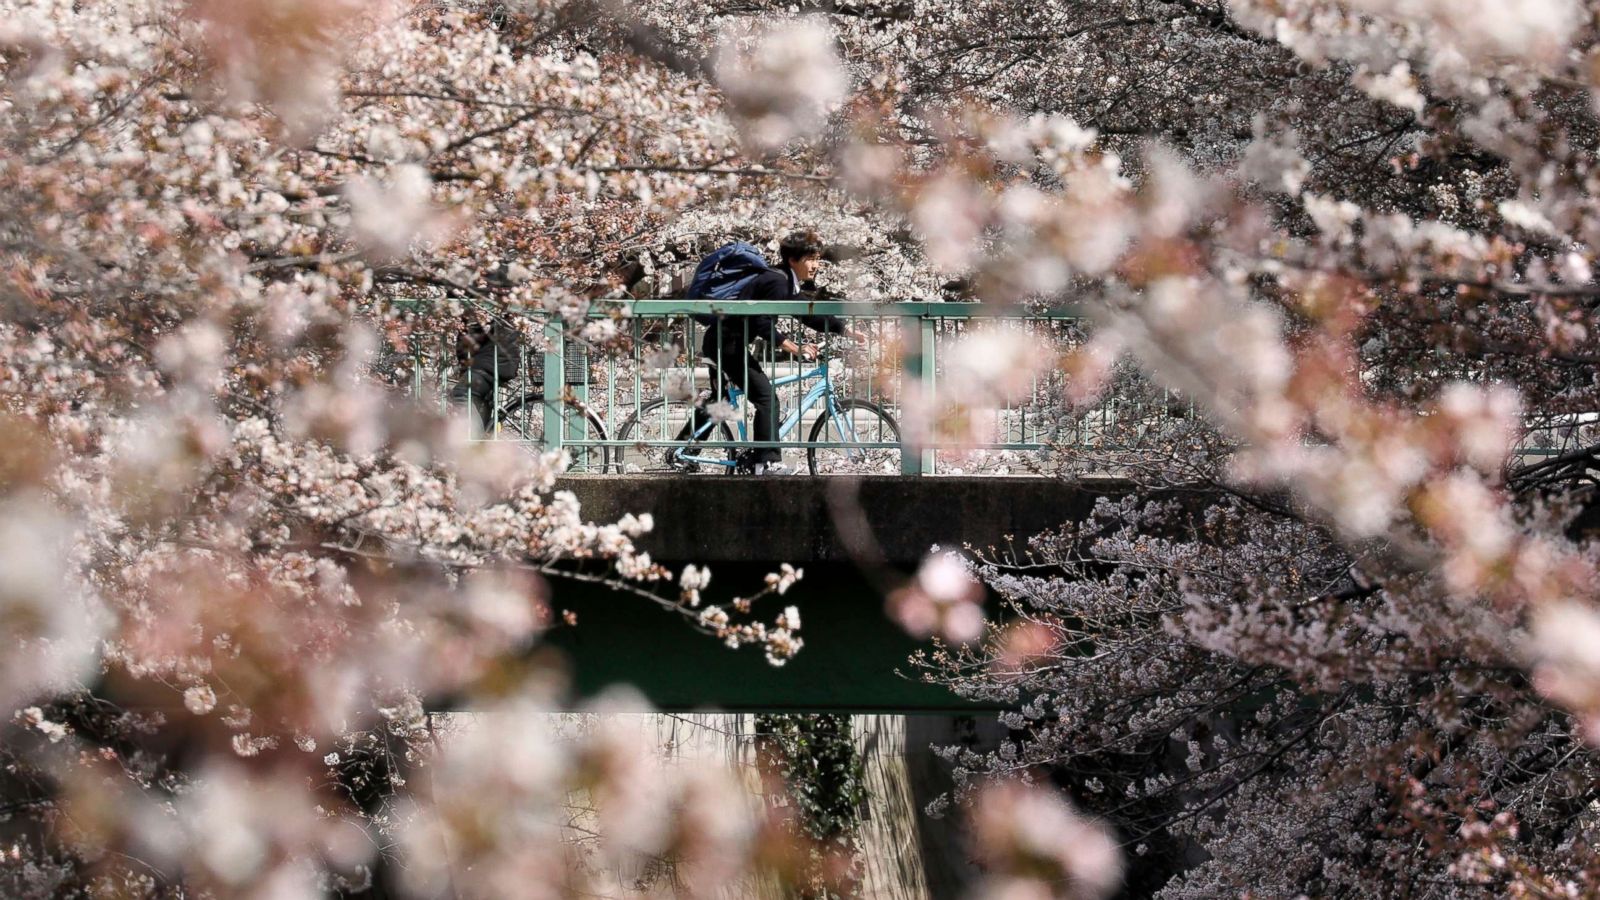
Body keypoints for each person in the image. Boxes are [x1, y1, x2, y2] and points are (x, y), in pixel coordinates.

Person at [698, 228, 866, 474]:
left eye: (817, 258)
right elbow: (760, 321)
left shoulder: (784, 281)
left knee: (719, 402)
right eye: (810, 258)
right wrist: (793, 347)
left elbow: (806, 313)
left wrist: (845, 329)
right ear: (793, 260)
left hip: (723, 342)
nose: (815, 265)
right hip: (727, 344)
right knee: (767, 399)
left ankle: (683, 450)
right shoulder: (777, 281)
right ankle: (765, 462)